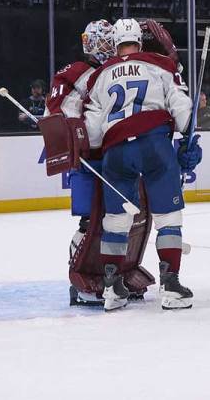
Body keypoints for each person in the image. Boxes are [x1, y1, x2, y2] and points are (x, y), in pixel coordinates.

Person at [84, 19, 200, 311]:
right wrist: (188, 136)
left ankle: (112, 288)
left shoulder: (99, 76)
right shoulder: (158, 63)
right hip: (153, 144)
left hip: (116, 150)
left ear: (115, 44)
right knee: (168, 216)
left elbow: (93, 129)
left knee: (116, 220)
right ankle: (170, 285)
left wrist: (94, 150)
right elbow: (180, 103)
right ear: (139, 40)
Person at [44, 20, 116, 306]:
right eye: (105, 40)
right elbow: (58, 111)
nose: (109, 45)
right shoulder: (78, 72)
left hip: (111, 154)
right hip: (88, 158)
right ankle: (81, 279)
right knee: (90, 222)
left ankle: (114, 274)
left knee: (115, 220)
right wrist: (76, 136)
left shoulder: (110, 70)